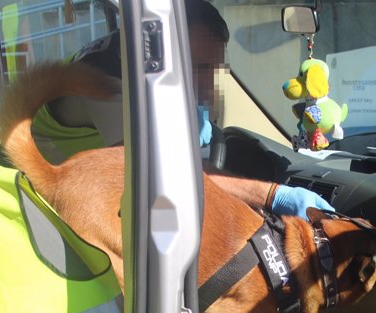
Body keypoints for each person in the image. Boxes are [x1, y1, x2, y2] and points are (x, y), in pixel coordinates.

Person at [35, 0, 334, 220]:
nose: (206, 83)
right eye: (198, 68)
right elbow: (164, 175)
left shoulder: (147, 58)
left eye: (213, 69)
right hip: (50, 185)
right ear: (162, 46)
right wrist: (273, 195)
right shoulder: (114, 81)